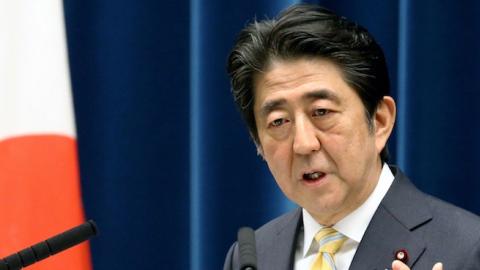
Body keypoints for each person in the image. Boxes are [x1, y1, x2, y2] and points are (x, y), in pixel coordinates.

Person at [223, 4, 480, 270]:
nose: (304, 144)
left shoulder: (468, 250)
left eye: (321, 112)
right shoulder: (250, 258)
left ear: (380, 121)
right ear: (258, 144)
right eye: (279, 122)